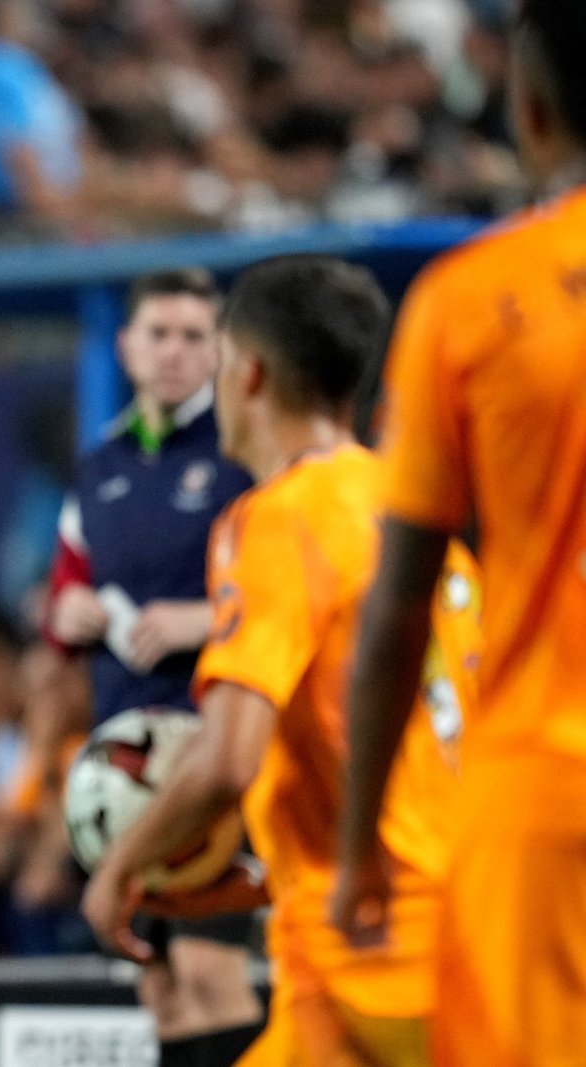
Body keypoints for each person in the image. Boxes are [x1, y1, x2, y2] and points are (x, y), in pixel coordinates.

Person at [82, 256, 479, 1065]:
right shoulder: (412, 519)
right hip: (464, 930)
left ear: (249, 372)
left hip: (369, 958)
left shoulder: (273, 520)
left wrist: (118, 868)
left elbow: (229, 757)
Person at [334, 4, 586, 1062]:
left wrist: (359, 845)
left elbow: (398, 606)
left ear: (528, 111)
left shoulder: (468, 298)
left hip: (538, 793)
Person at [42, 268, 258, 1065]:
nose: (173, 352)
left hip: (216, 753)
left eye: (193, 336)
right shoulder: (98, 464)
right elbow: (64, 589)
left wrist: (205, 618)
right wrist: (65, 616)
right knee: (158, 981)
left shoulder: (242, 452)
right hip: (122, 764)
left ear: (221, 350)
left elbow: (295, 587)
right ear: (126, 346)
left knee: (211, 969)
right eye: (158, 334)